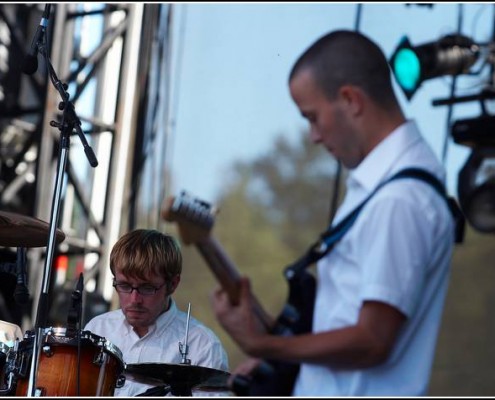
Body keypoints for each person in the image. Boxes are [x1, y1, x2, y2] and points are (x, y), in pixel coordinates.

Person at [210, 29, 457, 396]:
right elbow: (342, 320)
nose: (312, 135)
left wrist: (265, 346)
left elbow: (372, 341)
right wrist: (279, 362)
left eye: (312, 117)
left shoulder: (399, 199)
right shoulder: (380, 187)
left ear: (350, 100)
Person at [85, 229, 229, 396]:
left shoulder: (203, 345)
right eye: (124, 286)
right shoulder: (98, 328)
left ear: (173, 284)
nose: (134, 299)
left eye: (147, 288)